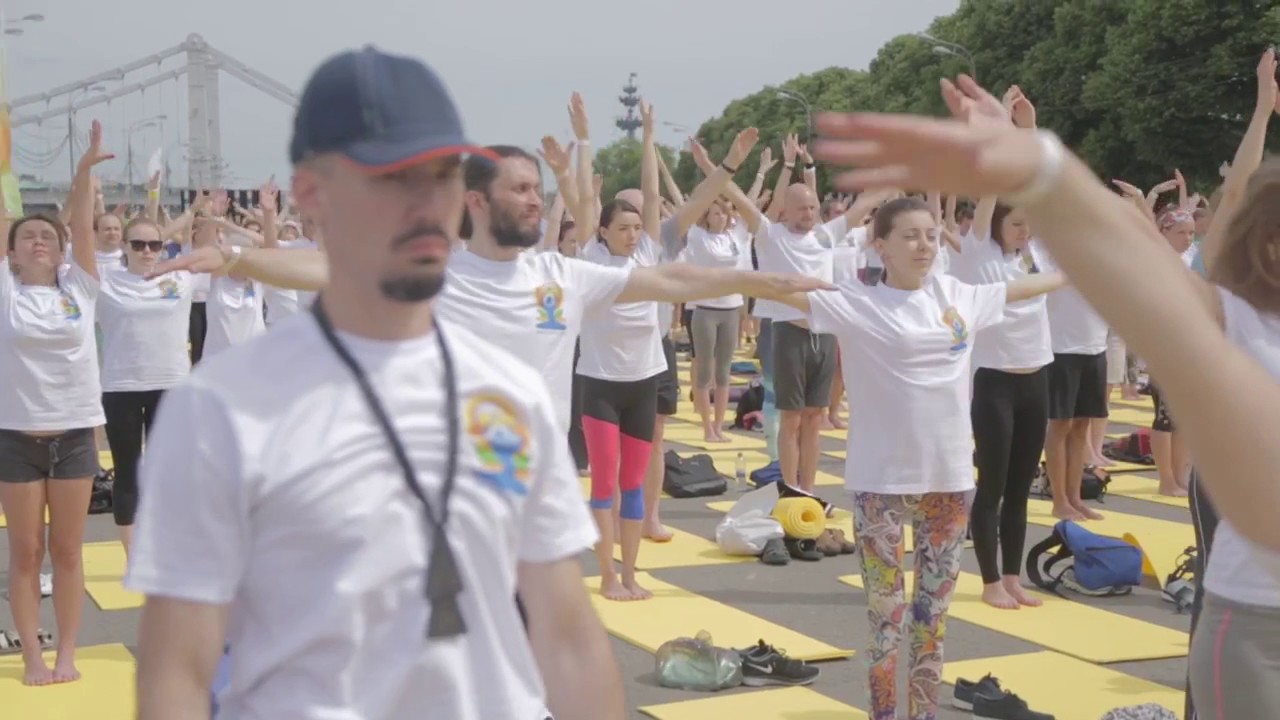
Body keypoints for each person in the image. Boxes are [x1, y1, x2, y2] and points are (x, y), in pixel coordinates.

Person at [128, 47, 625, 719]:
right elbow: (178, 673)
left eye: (441, 178)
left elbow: (568, 639)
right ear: (313, 195)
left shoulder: (513, 393)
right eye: (392, 179)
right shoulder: (220, 410)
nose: (426, 206)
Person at [811, 70, 1280, 591]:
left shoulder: (1032, 259)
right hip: (991, 389)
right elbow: (1212, 205)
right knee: (998, 485)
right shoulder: (1228, 312)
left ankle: (1018, 563)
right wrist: (1031, 153)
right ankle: (996, 575)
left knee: (1025, 481)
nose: (1024, 230)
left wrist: (1036, 154)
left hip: (1038, 370)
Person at [765, 196, 1064, 720]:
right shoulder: (855, 300)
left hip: (949, 482)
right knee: (886, 622)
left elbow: (1024, 288)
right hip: (880, 483)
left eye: (929, 234)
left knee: (932, 623)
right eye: (909, 236)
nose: (923, 245)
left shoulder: (959, 295)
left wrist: (1087, 269)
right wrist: (709, 280)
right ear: (881, 246)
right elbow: (773, 289)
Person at [0, 119, 113, 686]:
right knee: (25, 553)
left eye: (48, 235)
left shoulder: (80, 289)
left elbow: (83, 226)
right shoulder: (5, 290)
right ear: (13, 252)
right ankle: (32, 656)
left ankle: (67, 652)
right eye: (27, 237)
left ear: (62, 250)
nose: (39, 240)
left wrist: (84, 171)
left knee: (68, 552)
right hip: (16, 438)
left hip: (73, 437)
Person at [97, 217, 195, 553]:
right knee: (128, 473)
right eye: (138, 244)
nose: (147, 251)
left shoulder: (180, 276)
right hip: (121, 386)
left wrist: (200, 214)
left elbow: (218, 254)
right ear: (124, 247)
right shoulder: (105, 281)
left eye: (154, 244)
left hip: (170, 386)